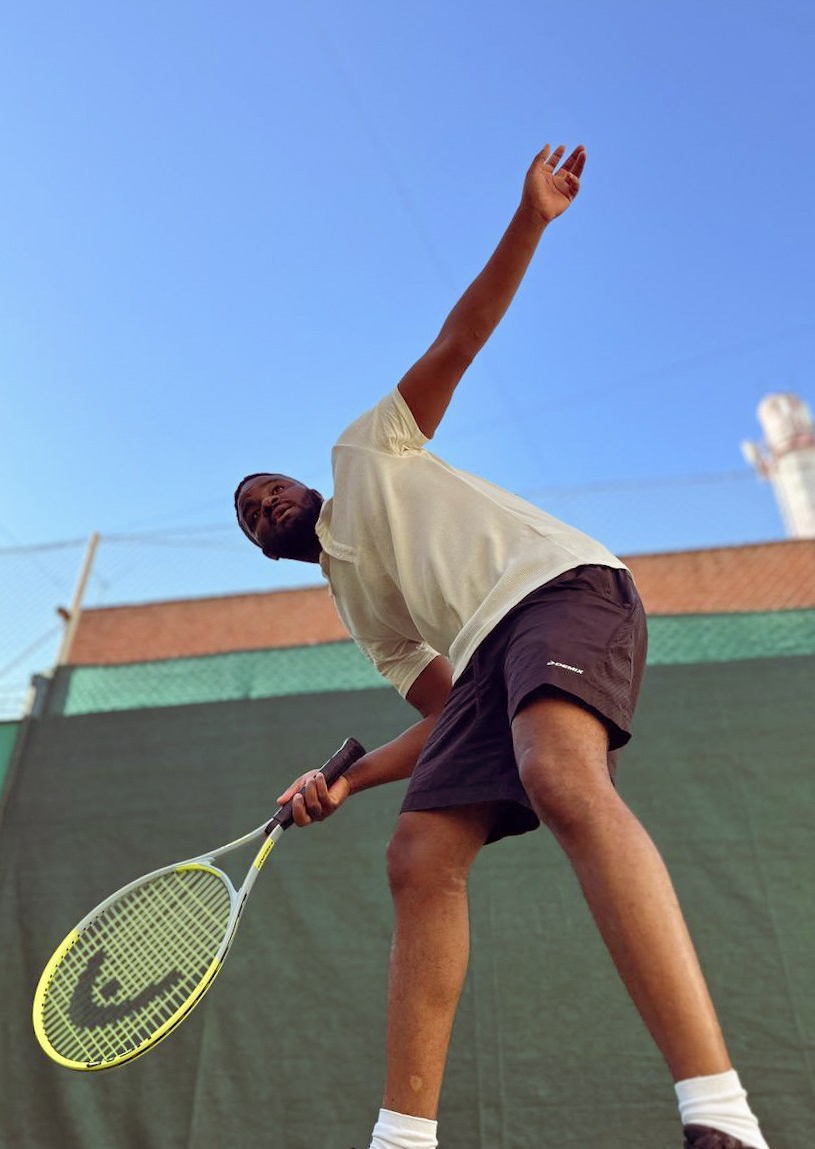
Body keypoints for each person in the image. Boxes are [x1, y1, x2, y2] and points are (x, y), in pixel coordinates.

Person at [234, 145, 771, 1149]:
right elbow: (444, 723)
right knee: (420, 850)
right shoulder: (365, 614)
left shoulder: (367, 449)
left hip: (563, 588)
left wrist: (529, 219)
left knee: (560, 774)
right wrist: (347, 783)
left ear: (305, 484)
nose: (257, 499)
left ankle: (723, 1117)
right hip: (486, 659)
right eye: (244, 513)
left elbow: (460, 337)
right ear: (268, 549)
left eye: (264, 484)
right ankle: (403, 1138)